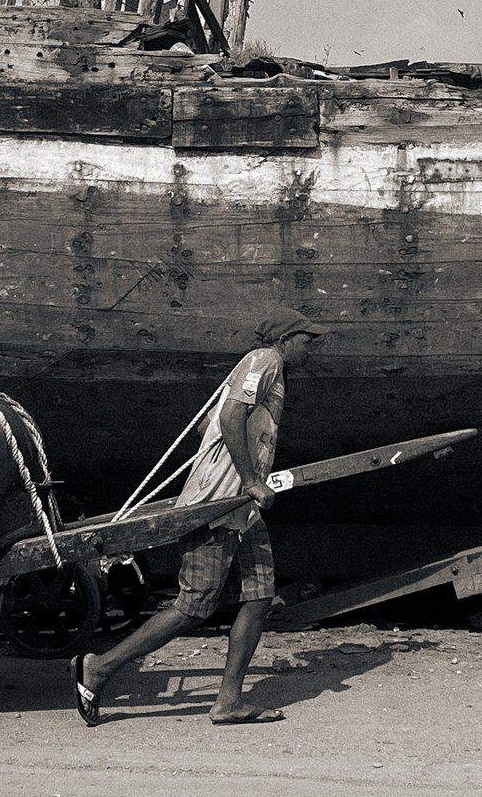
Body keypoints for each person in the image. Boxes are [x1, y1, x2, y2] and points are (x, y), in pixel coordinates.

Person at [73, 307, 319, 728]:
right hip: (217, 507)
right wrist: (248, 480)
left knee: (259, 598)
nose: (311, 347)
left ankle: (227, 703)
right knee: (193, 606)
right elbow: (227, 417)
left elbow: (212, 420)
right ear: (285, 338)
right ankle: (98, 668)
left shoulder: (263, 369)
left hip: (242, 512)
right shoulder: (266, 360)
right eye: (307, 339)